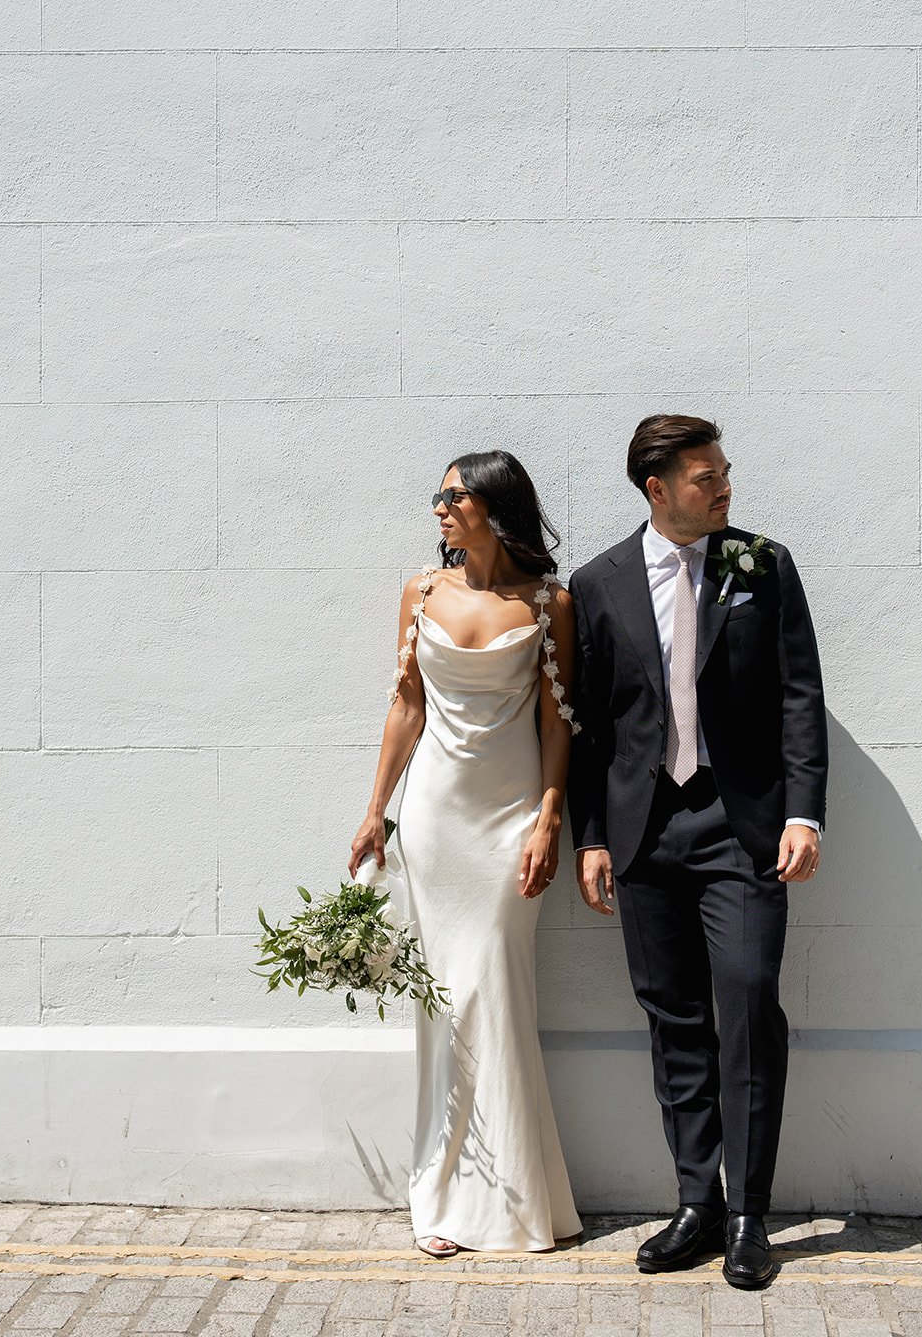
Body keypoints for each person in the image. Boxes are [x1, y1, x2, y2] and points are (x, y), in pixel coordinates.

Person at [568, 414, 827, 1291]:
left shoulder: (762, 562)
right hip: (644, 832)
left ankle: (751, 1213)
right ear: (657, 488)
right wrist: (592, 835)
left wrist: (804, 816)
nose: (722, 488)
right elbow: (591, 725)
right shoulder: (597, 582)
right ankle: (697, 1203)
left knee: (749, 1002)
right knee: (672, 1018)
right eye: (704, 477)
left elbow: (800, 695)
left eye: (723, 473)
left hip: (742, 827)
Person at [348, 451, 582, 1257]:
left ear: (495, 506)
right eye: (439, 496)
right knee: (443, 1001)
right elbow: (405, 705)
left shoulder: (551, 602)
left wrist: (551, 818)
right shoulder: (421, 592)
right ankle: (443, 1195)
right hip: (436, 819)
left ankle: (516, 1200)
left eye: (454, 495)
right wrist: (374, 810)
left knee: (496, 991)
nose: (440, 508)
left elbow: (558, 721)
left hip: (511, 817)